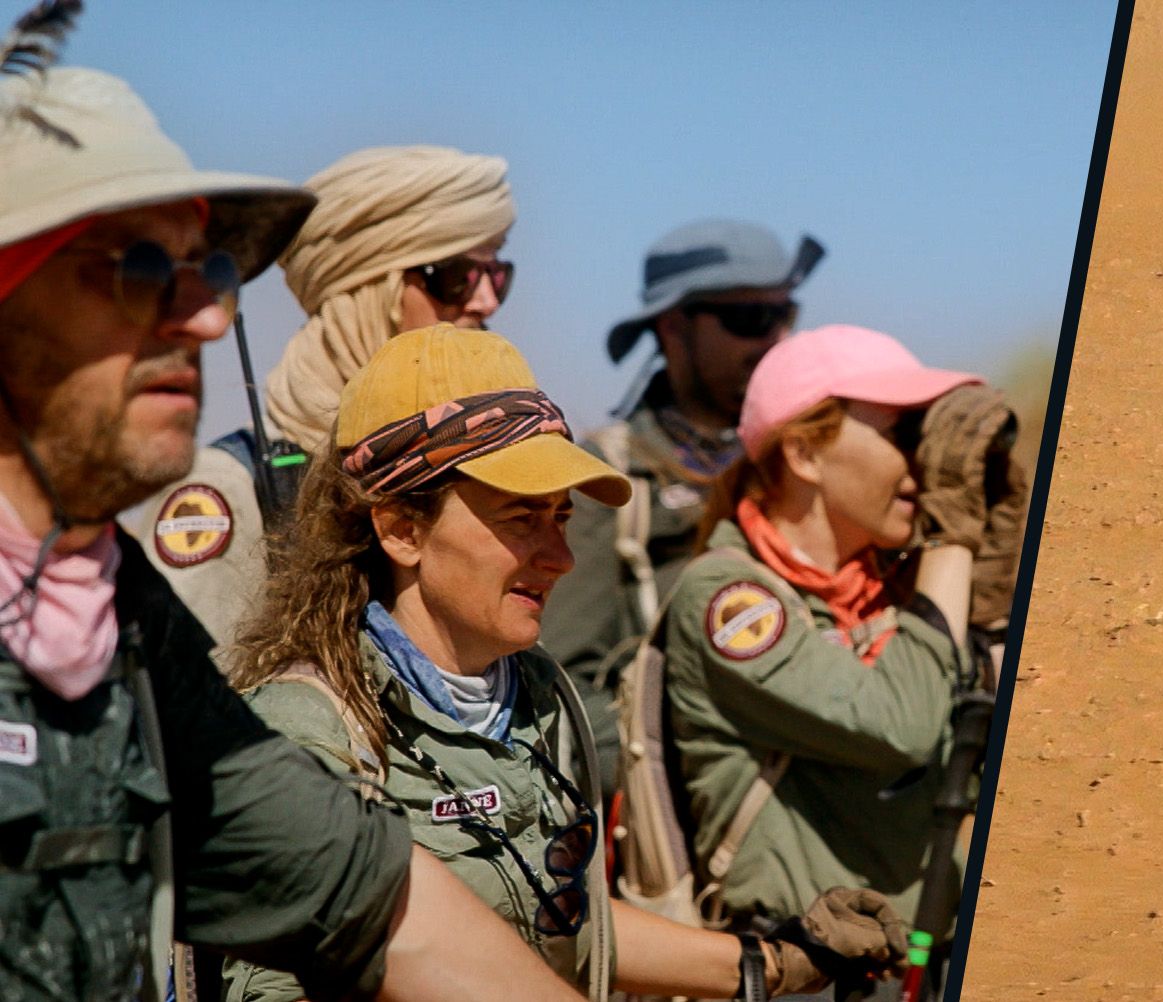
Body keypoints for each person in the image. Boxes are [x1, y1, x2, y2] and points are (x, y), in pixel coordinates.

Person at [0, 44, 591, 1001]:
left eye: (210, 269)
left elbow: (366, 897)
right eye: (142, 268)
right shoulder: (231, 491)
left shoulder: (114, 612)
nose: (202, 314)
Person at [219, 324, 906, 1001]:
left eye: (562, 516)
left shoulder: (537, 689)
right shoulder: (309, 732)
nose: (562, 558)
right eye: (521, 518)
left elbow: (572, 923)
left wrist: (778, 962)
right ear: (402, 530)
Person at [637, 324, 1021, 936]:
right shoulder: (729, 602)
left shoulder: (901, 587)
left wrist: (995, 596)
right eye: (904, 432)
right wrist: (952, 537)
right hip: (798, 968)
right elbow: (900, 727)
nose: (925, 461)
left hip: (919, 953)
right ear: (804, 454)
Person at [138, 144, 515, 645]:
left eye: (496, 275)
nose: (485, 301)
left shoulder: (482, 465)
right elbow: (197, 706)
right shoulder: (232, 488)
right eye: (456, 277)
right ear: (370, 291)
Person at [538, 218, 821, 796]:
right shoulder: (608, 478)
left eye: (784, 315)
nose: (774, 340)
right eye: (749, 320)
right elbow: (561, 687)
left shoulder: (805, 461)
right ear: (673, 327)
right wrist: (692, 762)